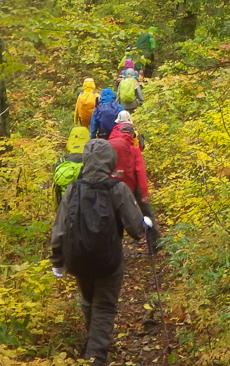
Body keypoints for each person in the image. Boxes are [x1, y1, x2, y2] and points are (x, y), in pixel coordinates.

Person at [50, 139, 149, 366]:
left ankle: (93, 343)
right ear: (110, 161)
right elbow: (136, 230)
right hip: (108, 260)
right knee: (104, 307)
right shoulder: (118, 188)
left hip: (77, 258)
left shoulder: (74, 188)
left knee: (87, 301)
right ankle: (95, 357)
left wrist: (57, 259)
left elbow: (60, 227)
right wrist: (145, 224)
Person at [108, 122, 159, 251]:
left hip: (112, 187)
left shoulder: (108, 147)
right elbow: (140, 172)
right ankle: (154, 243)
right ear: (132, 134)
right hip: (132, 188)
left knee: (114, 218)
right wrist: (144, 193)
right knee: (146, 213)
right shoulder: (134, 150)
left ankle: (115, 249)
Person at [53, 126, 89, 206]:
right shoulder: (90, 160)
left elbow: (56, 190)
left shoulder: (61, 161)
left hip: (66, 205)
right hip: (85, 206)